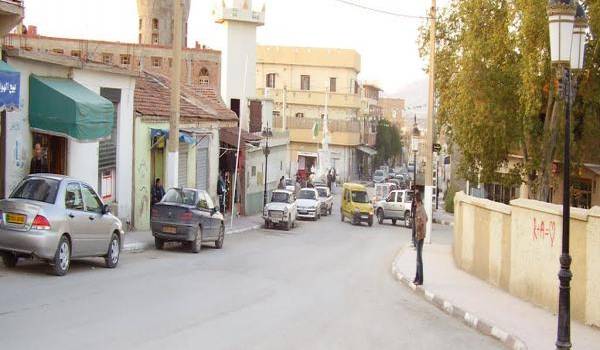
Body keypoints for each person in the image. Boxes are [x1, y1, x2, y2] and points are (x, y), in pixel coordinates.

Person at [414, 191, 428, 286]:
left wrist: (418, 232)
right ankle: (417, 277)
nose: (414, 201)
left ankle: (420, 279)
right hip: (420, 235)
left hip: (420, 236)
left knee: (419, 259)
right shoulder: (421, 208)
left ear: (417, 200)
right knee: (418, 258)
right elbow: (426, 218)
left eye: (414, 199)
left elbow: (422, 221)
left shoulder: (420, 209)